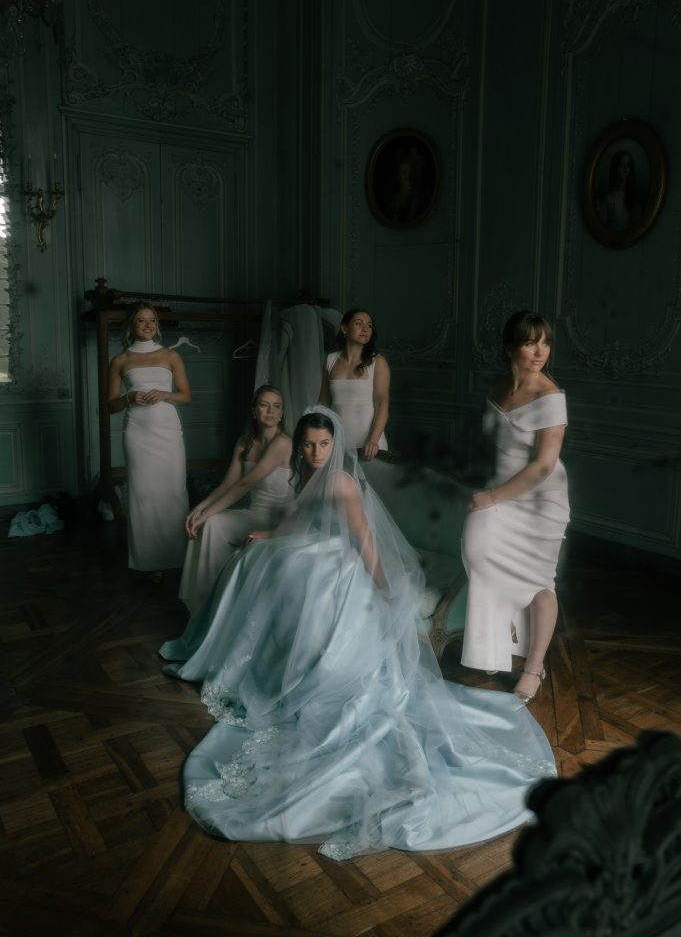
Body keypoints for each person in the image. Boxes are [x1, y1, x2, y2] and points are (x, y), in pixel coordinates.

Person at [160, 407, 556, 861]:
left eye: (324, 445)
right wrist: (270, 533)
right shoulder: (310, 476)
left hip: (338, 566)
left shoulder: (342, 482)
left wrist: (389, 593)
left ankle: (302, 669)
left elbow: (365, 539)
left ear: (336, 445)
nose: (314, 453)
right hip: (313, 555)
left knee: (296, 580)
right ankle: (252, 656)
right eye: (308, 444)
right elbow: (299, 520)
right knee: (262, 564)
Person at [460, 310, 570, 702]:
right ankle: (499, 633)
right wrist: (484, 484)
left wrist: (491, 497)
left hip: (540, 501)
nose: (540, 351)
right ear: (510, 348)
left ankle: (534, 666)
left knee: (541, 581)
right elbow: (491, 444)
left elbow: (542, 466)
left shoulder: (551, 398)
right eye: (530, 342)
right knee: (476, 550)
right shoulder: (496, 386)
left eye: (545, 343)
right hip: (500, 488)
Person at [178, 386, 292, 615]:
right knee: (209, 524)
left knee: (209, 521)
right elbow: (228, 483)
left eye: (276, 406)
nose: (270, 411)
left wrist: (206, 514)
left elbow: (245, 484)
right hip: (254, 513)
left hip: (277, 518)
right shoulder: (245, 443)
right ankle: (206, 601)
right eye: (264, 404)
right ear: (254, 410)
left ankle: (222, 604)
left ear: (282, 414)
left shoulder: (283, 443)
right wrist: (199, 509)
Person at [108, 302, 191, 579]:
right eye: (141, 321)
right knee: (143, 495)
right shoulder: (120, 360)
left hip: (167, 431)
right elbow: (110, 406)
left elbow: (186, 396)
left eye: (152, 321)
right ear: (131, 325)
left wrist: (165, 395)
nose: (147, 325)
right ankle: (148, 562)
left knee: (174, 492)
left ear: (157, 325)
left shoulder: (170, 356)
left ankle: (178, 557)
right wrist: (130, 397)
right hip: (137, 432)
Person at [317, 308, 389, 458]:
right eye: (358, 323)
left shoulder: (378, 362)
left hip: (370, 446)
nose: (365, 329)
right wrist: (316, 436)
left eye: (369, 325)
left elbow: (382, 404)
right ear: (344, 328)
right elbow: (323, 403)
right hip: (337, 443)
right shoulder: (330, 360)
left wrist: (373, 441)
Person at [596, 149, 642, 231]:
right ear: (615, 168)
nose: (625, 170)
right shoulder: (608, 198)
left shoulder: (634, 195)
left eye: (628, 165)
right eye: (621, 165)